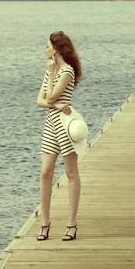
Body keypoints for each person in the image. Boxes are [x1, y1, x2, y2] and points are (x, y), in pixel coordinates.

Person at [35, 31, 83, 241]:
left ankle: (72, 225)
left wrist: (53, 98)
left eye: (47, 46)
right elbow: (39, 100)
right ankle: (45, 224)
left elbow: (51, 95)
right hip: (50, 125)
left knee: (71, 173)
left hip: (65, 125)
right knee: (45, 173)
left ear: (56, 49)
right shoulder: (51, 70)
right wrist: (56, 104)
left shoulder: (67, 72)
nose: (45, 50)